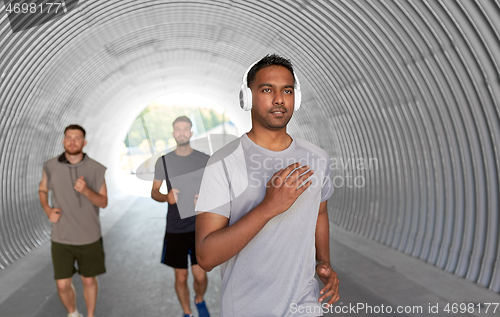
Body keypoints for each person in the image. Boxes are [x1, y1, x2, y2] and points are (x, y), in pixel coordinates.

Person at [195, 54, 340, 316]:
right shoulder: (223, 162)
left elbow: (319, 211)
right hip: (247, 308)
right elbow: (206, 257)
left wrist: (324, 262)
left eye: (287, 90)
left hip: (304, 306)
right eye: (266, 89)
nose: (279, 99)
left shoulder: (317, 158)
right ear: (247, 98)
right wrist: (269, 207)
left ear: (296, 98)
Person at [38, 124, 107, 317]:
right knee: (62, 283)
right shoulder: (50, 166)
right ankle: (73, 313)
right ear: (63, 140)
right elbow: (42, 189)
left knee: (89, 280)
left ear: (84, 143)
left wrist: (86, 191)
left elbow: (103, 202)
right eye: (69, 137)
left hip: (89, 236)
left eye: (77, 138)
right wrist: (47, 209)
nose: (72, 141)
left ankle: (91, 315)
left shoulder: (96, 169)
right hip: (61, 237)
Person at [151, 116, 211, 317]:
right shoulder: (164, 161)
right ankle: (187, 313)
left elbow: (217, 191)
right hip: (175, 228)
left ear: (191, 133)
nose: (182, 132)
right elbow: (154, 192)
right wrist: (165, 197)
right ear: (173, 133)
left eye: (186, 129)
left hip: (199, 226)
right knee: (181, 276)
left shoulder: (204, 159)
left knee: (200, 276)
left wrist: (204, 199)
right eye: (178, 129)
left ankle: (199, 300)